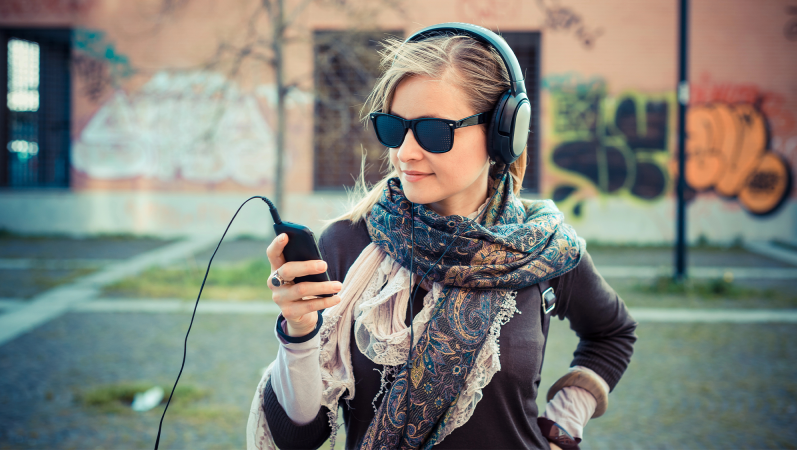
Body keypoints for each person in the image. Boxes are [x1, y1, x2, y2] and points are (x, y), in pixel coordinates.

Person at [247, 23, 637, 450]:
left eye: (434, 131)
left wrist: (566, 419)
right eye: (394, 127)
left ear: (503, 133)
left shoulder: (542, 247)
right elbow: (298, 436)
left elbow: (612, 332)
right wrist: (299, 332)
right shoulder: (346, 245)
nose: (405, 153)